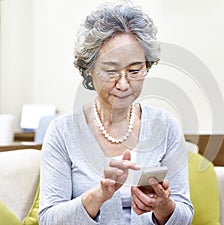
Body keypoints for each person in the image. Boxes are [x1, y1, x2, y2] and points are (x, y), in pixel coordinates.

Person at [38, 2, 193, 225]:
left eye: (134, 70)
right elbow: (48, 220)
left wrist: (164, 205)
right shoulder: (62, 131)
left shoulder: (166, 125)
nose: (123, 84)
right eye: (111, 71)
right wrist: (99, 195)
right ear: (90, 70)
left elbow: (184, 216)